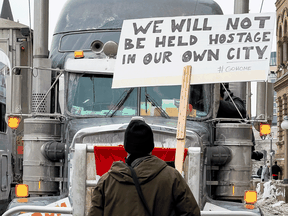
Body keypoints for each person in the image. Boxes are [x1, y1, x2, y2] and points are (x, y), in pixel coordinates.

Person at [88, 117, 200, 216]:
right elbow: (191, 212)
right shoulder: (172, 177)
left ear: (126, 148)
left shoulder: (106, 181)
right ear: (151, 147)